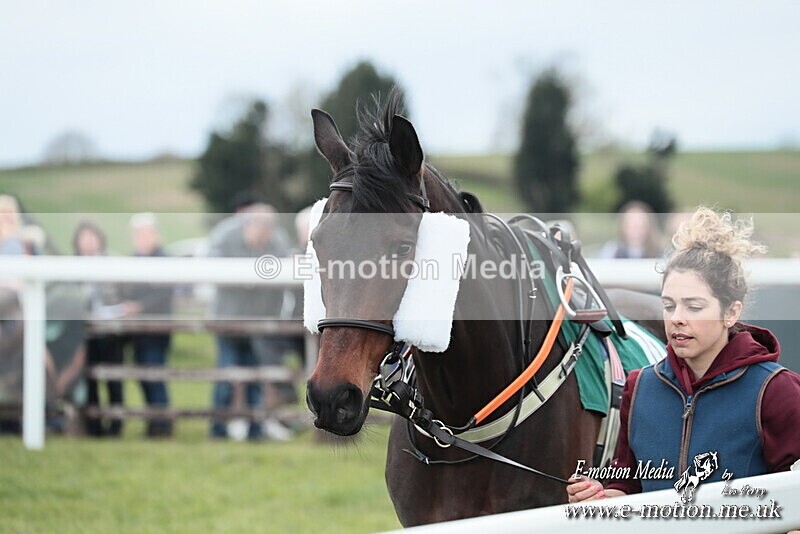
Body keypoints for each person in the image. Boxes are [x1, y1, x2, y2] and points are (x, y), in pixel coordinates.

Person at [568, 206, 800, 502]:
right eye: (669, 305)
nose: (677, 318)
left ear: (731, 313)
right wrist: (598, 497)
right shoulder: (638, 387)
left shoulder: (777, 390)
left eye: (693, 307)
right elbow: (629, 487)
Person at [208, 203, 290, 440]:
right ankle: (217, 427)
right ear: (249, 225)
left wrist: (273, 318)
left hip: (259, 323)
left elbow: (281, 282)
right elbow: (210, 268)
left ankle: (256, 428)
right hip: (228, 321)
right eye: (260, 229)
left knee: (256, 378)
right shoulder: (226, 236)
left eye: (268, 231)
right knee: (226, 376)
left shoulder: (277, 242)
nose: (264, 236)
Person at [122, 213, 174, 438]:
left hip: (157, 328)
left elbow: (164, 294)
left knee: (154, 374)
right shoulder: (135, 259)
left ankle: (162, 423)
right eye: (138, 234)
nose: (141, 238)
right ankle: (154, 422)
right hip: (138, 329)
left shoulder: (164, 259)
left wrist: (140, 306)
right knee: (143, 374)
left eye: (145, 233)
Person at [73, 221, 125, 437]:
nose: (88, 241)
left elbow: (123, 294)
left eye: (92, 236)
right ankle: (93, 426)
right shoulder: (71, 265)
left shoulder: (113, 262)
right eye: (84, 237)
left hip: (110, 330)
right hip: (84, 333)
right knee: (89, 380)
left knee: (114, 379)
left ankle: (115, 425)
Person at [598, 200, 663, 259]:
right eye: (631, 225)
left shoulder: (661, 253)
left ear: (649, 226)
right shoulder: (611, 251)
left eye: (641, 225)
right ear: (623, 226)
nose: (636, 230)